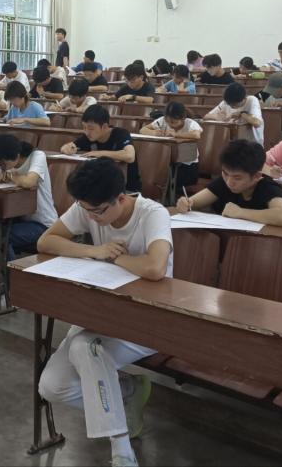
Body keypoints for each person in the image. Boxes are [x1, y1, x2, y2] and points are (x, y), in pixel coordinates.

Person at [37, 158, 170, 467]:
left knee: (86, 348)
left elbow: (155, 267)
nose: (91, 218)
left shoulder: (152, 214)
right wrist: (94, 251)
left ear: (120, 199)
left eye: (97, 212)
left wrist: (114, 258)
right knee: (52, 386)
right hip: (99, 315)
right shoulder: (90, 206)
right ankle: (127, 389)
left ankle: (122, 454)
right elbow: (46, 241)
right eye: (85, 210)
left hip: (149, 320)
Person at [175, 140, 282, 227]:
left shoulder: (267, 187)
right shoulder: (224, 181)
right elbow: (193, 202)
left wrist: (240, 212)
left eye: (237, 178)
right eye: (225, 173)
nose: (229, 182)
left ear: (256, 176)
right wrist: (185, 203)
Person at [0, 134, 57, 265]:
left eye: (2, 164)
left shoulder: (37, 156)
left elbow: (29, 182)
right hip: (18, 219)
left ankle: (12, 273)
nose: (0, 166)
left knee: (3, 236)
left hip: (43, 224)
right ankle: (2, 269)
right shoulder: (3, 158)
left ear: (17, 156)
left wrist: (9, 176)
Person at [140, 102, 202, 195]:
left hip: (187, 167)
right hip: (167, 164)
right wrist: (155, 133)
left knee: (166, 181)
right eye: (167, 121)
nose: (170, 124)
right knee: (153, 177)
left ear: (183, 118)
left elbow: (196, 135)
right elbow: (143, 130)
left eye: (173, 122)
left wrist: (176, 134)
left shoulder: (190, 123)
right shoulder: (163, 120)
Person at [61, 105, 136, 165]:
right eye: (84, 127)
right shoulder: (88, 137)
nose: (86, 132)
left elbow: (130, 156)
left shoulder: (121, 133)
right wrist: (66, 148)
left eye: (91, 128)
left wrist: (100, 154)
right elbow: (69, 147)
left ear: (104, 127)